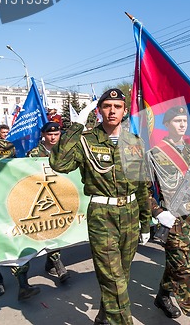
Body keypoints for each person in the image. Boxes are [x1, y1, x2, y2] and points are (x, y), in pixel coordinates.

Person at [49, 89, 151, 325]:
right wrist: (74, 127)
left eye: (117, 107)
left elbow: (143, 185)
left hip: (131, 214)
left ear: (125, 111)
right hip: (102, 216)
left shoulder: (135, 142)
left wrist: (146, 222)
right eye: (107, 106)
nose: (112, 111)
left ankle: (103, 318)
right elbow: (59, 164)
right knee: (113, 280)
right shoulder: (85, 140)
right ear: (99, 110)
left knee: (121, 276)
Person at [148, 106, 190, 325]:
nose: (181, 125)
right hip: (171, 220)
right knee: (183, 269)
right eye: (176, 121)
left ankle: (163, 296)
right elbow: (143, 190)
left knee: (179, 263)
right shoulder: (155, 152)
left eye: (184, 121)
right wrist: (158, 212)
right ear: (166, 124)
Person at [0, 111, 41, 300]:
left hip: (2, 202)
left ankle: (23, 284)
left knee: (14, 240)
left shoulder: (6, 147)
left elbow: (13, 171)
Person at [27, 122, 70, 283]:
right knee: (50, 229)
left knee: (58, 229)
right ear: (43, 135)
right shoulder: (33, 153)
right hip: (42, 197)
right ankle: (58, 265)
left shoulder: (63, 152)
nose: (53, 137)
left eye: (56, 134)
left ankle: (50, 262)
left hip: (61, 196)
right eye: (49, 134)